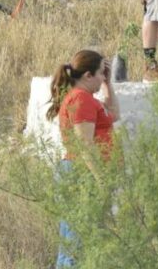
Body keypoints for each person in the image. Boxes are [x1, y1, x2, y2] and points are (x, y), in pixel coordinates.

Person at [45, 49, 120, 268]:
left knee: (82, 242)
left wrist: (107, 84)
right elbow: (85, 146)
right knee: (75, 244)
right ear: (88, 76)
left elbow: (115, 113)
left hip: (84, 174)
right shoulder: (81, 99)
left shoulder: (87, 98)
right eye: (99, 74)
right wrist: (101, 179)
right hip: (81, 175)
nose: (101, 78)